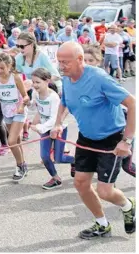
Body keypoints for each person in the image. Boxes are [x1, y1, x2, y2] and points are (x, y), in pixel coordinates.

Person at [51, 41, 136, 239]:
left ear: (80, 60)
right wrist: (57, 123)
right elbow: (64, 102)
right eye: (59, 62)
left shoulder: (99, 79)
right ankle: (102, 224)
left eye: (66, 62)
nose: (61, 66)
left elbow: (132, 104)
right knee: (81, 183)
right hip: (86, 138)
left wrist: (127, 141)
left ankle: (128, 205)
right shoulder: (66, 78)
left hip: (111, 139)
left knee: (105, 191)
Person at [83, 45, 136, 179]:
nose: (87, 64)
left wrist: (127, 139)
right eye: (84, 60)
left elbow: (131, 103)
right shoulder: (82, 81)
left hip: (119, 130)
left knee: (127, 167)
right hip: (98, 133)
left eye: (91, 60)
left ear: (98, 62)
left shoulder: (104, 80)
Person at [0, 52, 30, 181]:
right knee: (17, 140)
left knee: (11, 141)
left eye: (2, 68)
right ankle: (23, 163)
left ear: (9, 66)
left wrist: (22, 105)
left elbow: (26, 96)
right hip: (7, 112)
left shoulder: (15, 78)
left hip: (19, 111)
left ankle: (20, 166)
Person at [30, 68, 74, 189]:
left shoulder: (53, 97)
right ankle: (56, 178)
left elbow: (54, 120)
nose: (34, 85)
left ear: (47, 81)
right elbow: (35, 106)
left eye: (37, 82)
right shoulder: (35, 93)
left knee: (59, 158)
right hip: (45, 128)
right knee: (45, 156)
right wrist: (27, 103)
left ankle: (75, 161)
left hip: (58, 128)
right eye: (33, 82)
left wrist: (38, 127)